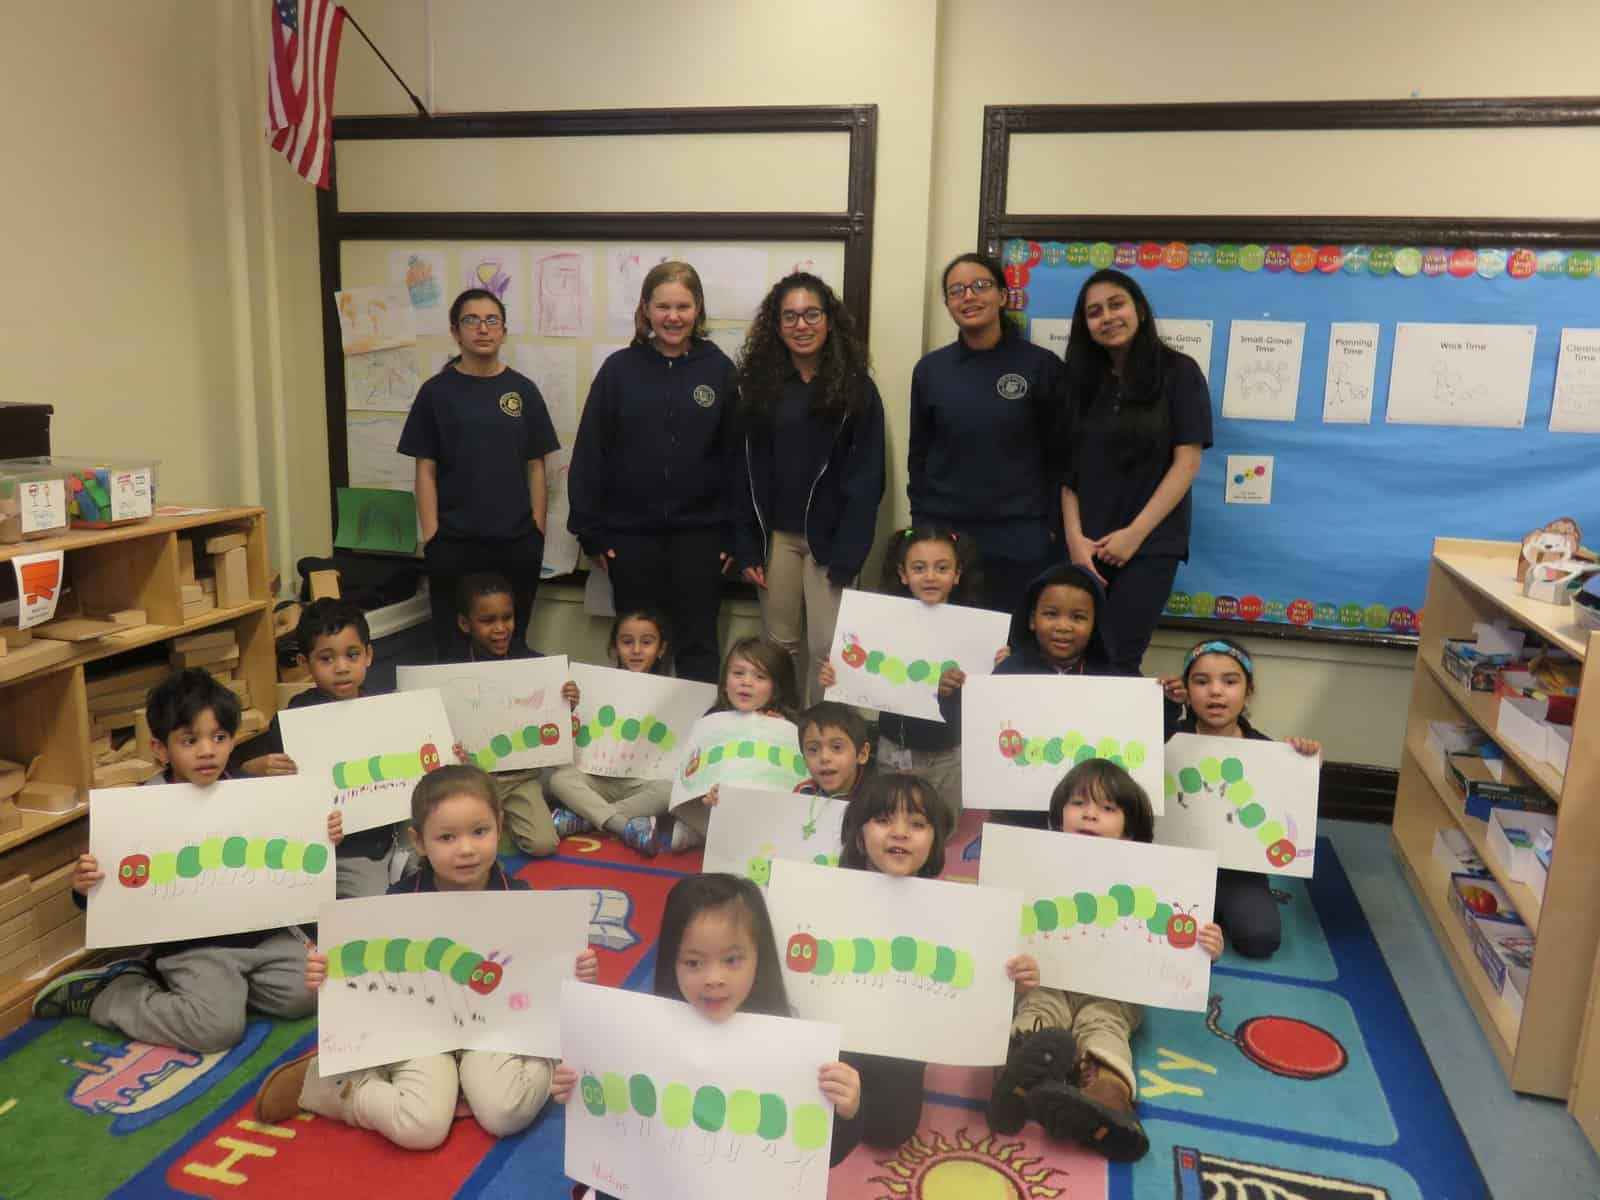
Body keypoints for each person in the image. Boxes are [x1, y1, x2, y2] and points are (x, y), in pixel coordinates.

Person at [253, 765, 600, 1147]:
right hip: (419, 1031)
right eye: (447, 837)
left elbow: (545, 975)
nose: (466, 849)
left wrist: (577, 971)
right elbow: (366, 976)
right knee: (424, 1127)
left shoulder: (520, 900)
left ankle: (541, 1059)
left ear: (499, 826)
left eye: (479, 831)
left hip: (493, 1030)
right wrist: (326, 972)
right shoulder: (397, 904)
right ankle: (340, 1086)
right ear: (418, 841)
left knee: (504, 1112)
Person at [33, 670, 314, 1051]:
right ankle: (112, 993)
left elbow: (290, 858)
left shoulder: (253, 795)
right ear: (161, 749)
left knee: (309, 992)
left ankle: (223, 992)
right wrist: (84, 888)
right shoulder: (141, 809)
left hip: (261, 935)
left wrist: (320, 835)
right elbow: (112, 892)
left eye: (219, 737)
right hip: (193, 946)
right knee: (217, 1031)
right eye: (189, 740)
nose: (207, 751)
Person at [551, 873, 863, 1197]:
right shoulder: (642, 1037)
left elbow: (819, 1158)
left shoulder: (792, 1051)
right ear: (672, 961)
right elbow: (618, 1135)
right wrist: (577, 1090)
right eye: (694, 962)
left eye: (732, 960)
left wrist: (848, 1110)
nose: (714, 978)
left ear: (760, 957)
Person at [990, 759, 1223, 1162]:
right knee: (1038, 1011)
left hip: (1116, 989)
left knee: (1105, 1028)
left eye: (1108, 808)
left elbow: (1178, 945)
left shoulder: (1159, 877)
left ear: (1130, 830)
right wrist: (1009, 960)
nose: (1090, 814)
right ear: (1059, 815)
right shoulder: (1031, 862)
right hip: (1046, 977)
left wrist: (1207, 947)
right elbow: (998, 928)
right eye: (1079, 803)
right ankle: (1017, 1073)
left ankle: (1107, 1102)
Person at [835, 774, 1036, 1149]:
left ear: (934, 842)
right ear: (859, 837)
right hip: (838, 1033)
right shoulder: (827, 894)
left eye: (917, 824)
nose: (899, 833)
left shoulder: (956, 913)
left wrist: (1012, 985)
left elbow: (972, 992)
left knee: (891, 1131)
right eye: (883, 820)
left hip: (903, 1040)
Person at [567, 261, 740, 683]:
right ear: (646, 309)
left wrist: (735, 535)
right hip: (631, 539)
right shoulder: (619, 370)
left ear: (698, 309)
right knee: (639, 649)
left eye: (683, 306)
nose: (673, 317)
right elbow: (590, 452)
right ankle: (635, 728)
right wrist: (591, 533)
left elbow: (737, 459)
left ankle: (696, 726)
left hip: (700, 538)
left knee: (698, 648)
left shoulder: (719, 371)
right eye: (663, 306)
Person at [734, 273, 886, 706]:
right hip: (776, 539)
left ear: (829, 320)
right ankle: (780, 731)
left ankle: (820, 734)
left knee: (828, 648)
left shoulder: (857, 389)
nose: (801, 325)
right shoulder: (756, 388)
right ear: (777, 325)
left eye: (811, 314)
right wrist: (746, 547)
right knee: (778, 650)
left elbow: (867, 477)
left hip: (831, 541)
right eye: (790, 317)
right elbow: (741, 473)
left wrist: (850, 551)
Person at [1059, 268, 1211, 675]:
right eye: (1094, 312)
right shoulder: (1078, 381)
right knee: (1076, 658)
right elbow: (1067, 471)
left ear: (1139, 310)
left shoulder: (1179, 372)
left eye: (1116, 305)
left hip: (1149, 545)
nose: (1107, 317)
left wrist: (1134, 535)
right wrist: (1075, 540)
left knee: (1119, 658)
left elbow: (1187, 463)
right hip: (1086, 547)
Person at [400, 287, 559, 661]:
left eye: (492, 320)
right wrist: (433, 536)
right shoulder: (436, 393)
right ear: (455, 331)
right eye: (472, 320)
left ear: (504, 330)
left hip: (516, 542)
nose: (483, 329)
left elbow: (536, 465)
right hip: (454, 543)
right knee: (452, 648)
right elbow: (425, 468)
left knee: (511, 646)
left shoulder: (522, 391)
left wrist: (536, 530)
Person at [909, 253, 1067, 615]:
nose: (968, 296)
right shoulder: (931, 370)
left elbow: (1061, 455)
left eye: (980, 286)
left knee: (1014, 635)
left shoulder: (1041, 366)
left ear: (1003, 295)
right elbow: (919, 454)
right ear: (948, 303)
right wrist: (921, 524)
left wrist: (1051, 528)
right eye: (956, 290)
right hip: (947, 533)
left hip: (1021, 535)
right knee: (947, 637)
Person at [230, 599, 411, 898]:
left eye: (352, 655)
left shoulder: (386, 709)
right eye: (326, 659)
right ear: (305, 663)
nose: (341, 667)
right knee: (370, 903)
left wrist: (445, 756)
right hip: (345, 850)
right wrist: (256, 769)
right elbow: (257, 787)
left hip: (398, 834)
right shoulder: (294, 720)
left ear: (368, 655)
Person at [816, 527, 989, 836]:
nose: (931, 576)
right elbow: (857, 673)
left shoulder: (976, 630)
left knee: (941, 833)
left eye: (942, 568)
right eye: (919, 568)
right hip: (894, 749)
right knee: (892, 826)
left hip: (949, 755)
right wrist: (836, 675)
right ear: (903, 573)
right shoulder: (880, 622)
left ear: (957, 574)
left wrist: (998, 666)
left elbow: (984, 695)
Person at [1160, 637, 1321, 959]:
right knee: (1156, 935)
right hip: (1176, 866)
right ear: (1187, 691)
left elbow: (1291, 807)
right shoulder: (1170, 737)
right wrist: (1167, 705)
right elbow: (1140, 755)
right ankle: (1207, 912)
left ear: (1248, 692)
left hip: (1239, 872)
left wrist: (1306, 762)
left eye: (1230, 682)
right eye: (1201, 682)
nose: (1216, 691)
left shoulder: (1267, 751)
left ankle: (1218, 910)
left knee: (1259, 940)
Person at [629, 637, 799, 857]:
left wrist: (782, 729)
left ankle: (704, 834)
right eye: (738, 673)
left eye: (759, 677)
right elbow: (695, 767)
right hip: (713, 803)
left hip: (763, 810)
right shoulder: (712, 719)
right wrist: (704, 794)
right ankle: (699, 829)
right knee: (669, 787)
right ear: (725, 682)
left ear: (777, 688)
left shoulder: (791, 726)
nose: (746, 682)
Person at [449, 572, 578, 859]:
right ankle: (501, 824)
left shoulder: (535, 665)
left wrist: (568, 701)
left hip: (521, 777)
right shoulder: (449, 672)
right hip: (472, 779)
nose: (500, 628)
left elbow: (552, 721)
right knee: (455, 840)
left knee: (544, 844)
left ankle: (516, 820)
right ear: (465, 623)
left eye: (507, 617)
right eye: (488, 620)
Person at [545, 610, 675, 841]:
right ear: (614, 647)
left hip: (640, 782)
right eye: (627, 642)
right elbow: (570, 739)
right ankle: (623, 825)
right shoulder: (594, 686)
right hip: (595, 778)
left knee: (670, 790)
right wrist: (570, 706)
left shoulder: (674, 694)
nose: (636, 650)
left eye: (646, 642)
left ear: (661, 649)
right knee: (559, 780)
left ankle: (584, 819)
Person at [793, 701, 871, 801]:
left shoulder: (878, 799)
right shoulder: (801, 793)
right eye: (813, 749)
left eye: (837, 747)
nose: (824, 757)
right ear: (804, 758)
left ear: (862, 754)